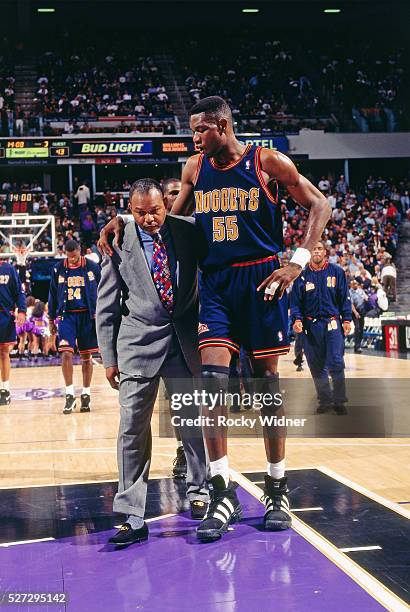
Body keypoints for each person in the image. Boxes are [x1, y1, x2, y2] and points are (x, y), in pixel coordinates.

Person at [99, 96, 330, 542]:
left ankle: (277, 484)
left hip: (263, 279)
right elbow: (168, 219)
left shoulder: (267, 162)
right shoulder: (193, 169)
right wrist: (126, 218)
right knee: (210, 385)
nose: (194, 139)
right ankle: (222, 488)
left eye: (199, 131)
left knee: (267, 386)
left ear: (221, 125)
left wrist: (298, 262)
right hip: (219, 286)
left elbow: (320, 204)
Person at [96, 178, 209, 547]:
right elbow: (106, 305)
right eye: (140, 213)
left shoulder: (189, 231)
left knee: (191, 423)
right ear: (131, 211)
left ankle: (200, 491)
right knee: (132, 429)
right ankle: (131, 513)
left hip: (183, 342)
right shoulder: (117, 241)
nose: (149, 219)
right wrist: (109, 357)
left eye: (155, 211)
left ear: (167, 205)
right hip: (136, 346)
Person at [290, 242, 352, 415]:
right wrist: (297, 320)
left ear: (325, 252)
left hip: (332, 323)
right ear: (309, 254)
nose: (316, 252)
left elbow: (344, 298)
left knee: (336, 362)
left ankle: (339, 400)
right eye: (313, 249)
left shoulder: (337, 271)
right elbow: (295, 303)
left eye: (319, 249)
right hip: (310, 326)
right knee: (316, 366)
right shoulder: (301, 276)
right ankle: (325, 400)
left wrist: (346, 319)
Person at [48, 240, 100, 414]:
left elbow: (103, 291)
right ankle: (69, 394)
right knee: (66, 353)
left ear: (80, 252)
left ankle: (86, 393)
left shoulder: (93, 267)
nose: (71, 260)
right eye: (68, 257)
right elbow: (52, 295)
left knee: (87, 357)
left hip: (87, 315)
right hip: (67, 316)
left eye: (74, 257)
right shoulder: (57, 268)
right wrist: (51, 320)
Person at [0, 260, 26, 405]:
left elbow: (19, 292)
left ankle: (5, 389)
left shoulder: (8, 269)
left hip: (4, 315)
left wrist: (22, 310)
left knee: (4, 352)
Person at [349, 279, 368, 353]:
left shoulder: (360, 290)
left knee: (361, 328)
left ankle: (359, 345)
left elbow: (365, 297)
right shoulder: (350, 292)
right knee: (357, 328)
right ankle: (357, 346)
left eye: (356, 283)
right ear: (351, 285)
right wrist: (355, 312)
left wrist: (366, 299)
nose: (355, 285)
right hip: (355, 311)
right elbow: (351, 304)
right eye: (353, 284)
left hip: (362, 310)